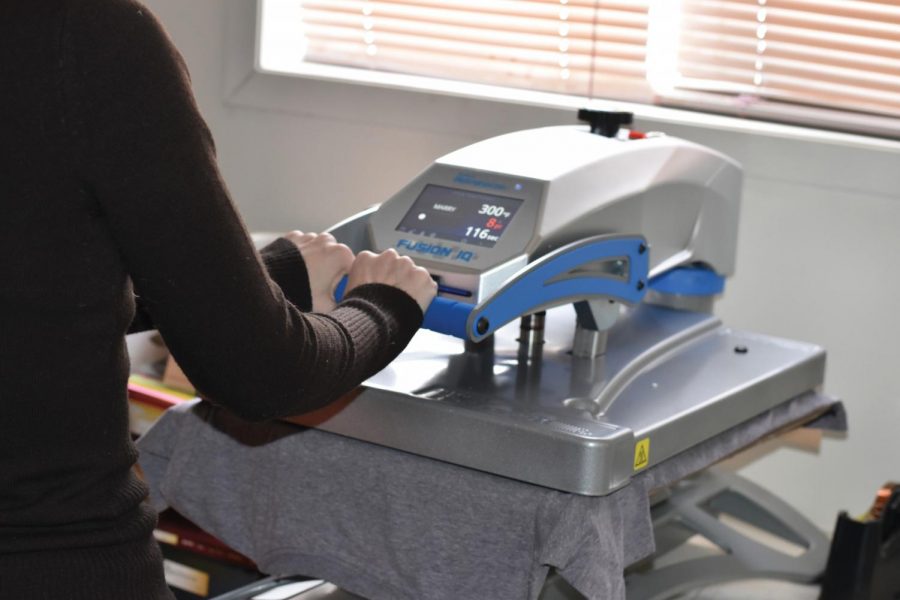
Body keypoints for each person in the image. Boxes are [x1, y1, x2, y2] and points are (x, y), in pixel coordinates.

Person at [0, 0, 436, 598]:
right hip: (54, 567)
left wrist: (265, 274)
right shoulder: (84, 32)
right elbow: (261, 374)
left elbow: (43, 284)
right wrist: (387, 303)